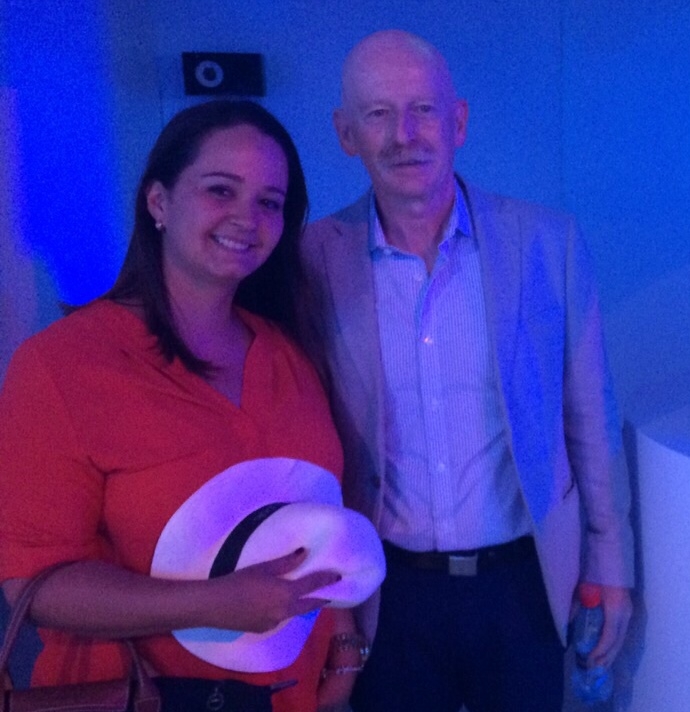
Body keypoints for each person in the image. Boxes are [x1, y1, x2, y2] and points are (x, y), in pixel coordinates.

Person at [297, 29, 635, 712]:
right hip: (386, 594)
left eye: (423, 110)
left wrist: (610, 562)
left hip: (525, 583)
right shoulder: (312, 259)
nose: (405, 135)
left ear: (458, 122)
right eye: (378, 114)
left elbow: (589, 415)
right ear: (346, 134)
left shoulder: (547, 242)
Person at [0, 99, 362, 712]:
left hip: (294, 695)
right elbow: (33, 583)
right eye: (221, 190)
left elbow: (319, 514)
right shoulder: (62, 365)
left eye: (269, 202)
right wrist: (212, 603)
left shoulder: (290, 353)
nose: (246, 217)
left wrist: (345, 640)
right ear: (159, 201)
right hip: (146, 695)